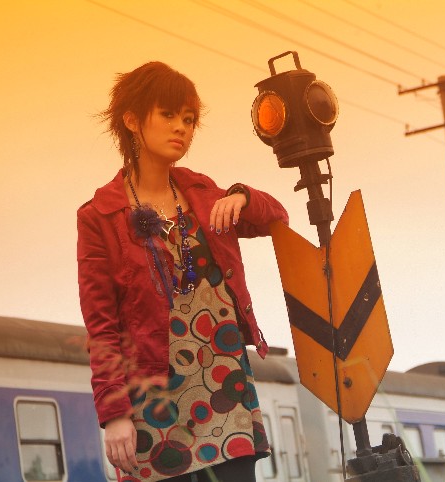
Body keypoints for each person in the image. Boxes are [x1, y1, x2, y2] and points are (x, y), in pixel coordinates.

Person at [76, 61, 288, 482]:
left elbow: (276, 219)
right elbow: (101, 325)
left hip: (225, 389)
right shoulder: (100, 215)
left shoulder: (204, 194)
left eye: (189, 119)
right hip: (154, 403)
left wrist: (244, 197)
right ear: (132, 120)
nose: (182, 128)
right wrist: (114, 413)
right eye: (169, 114)